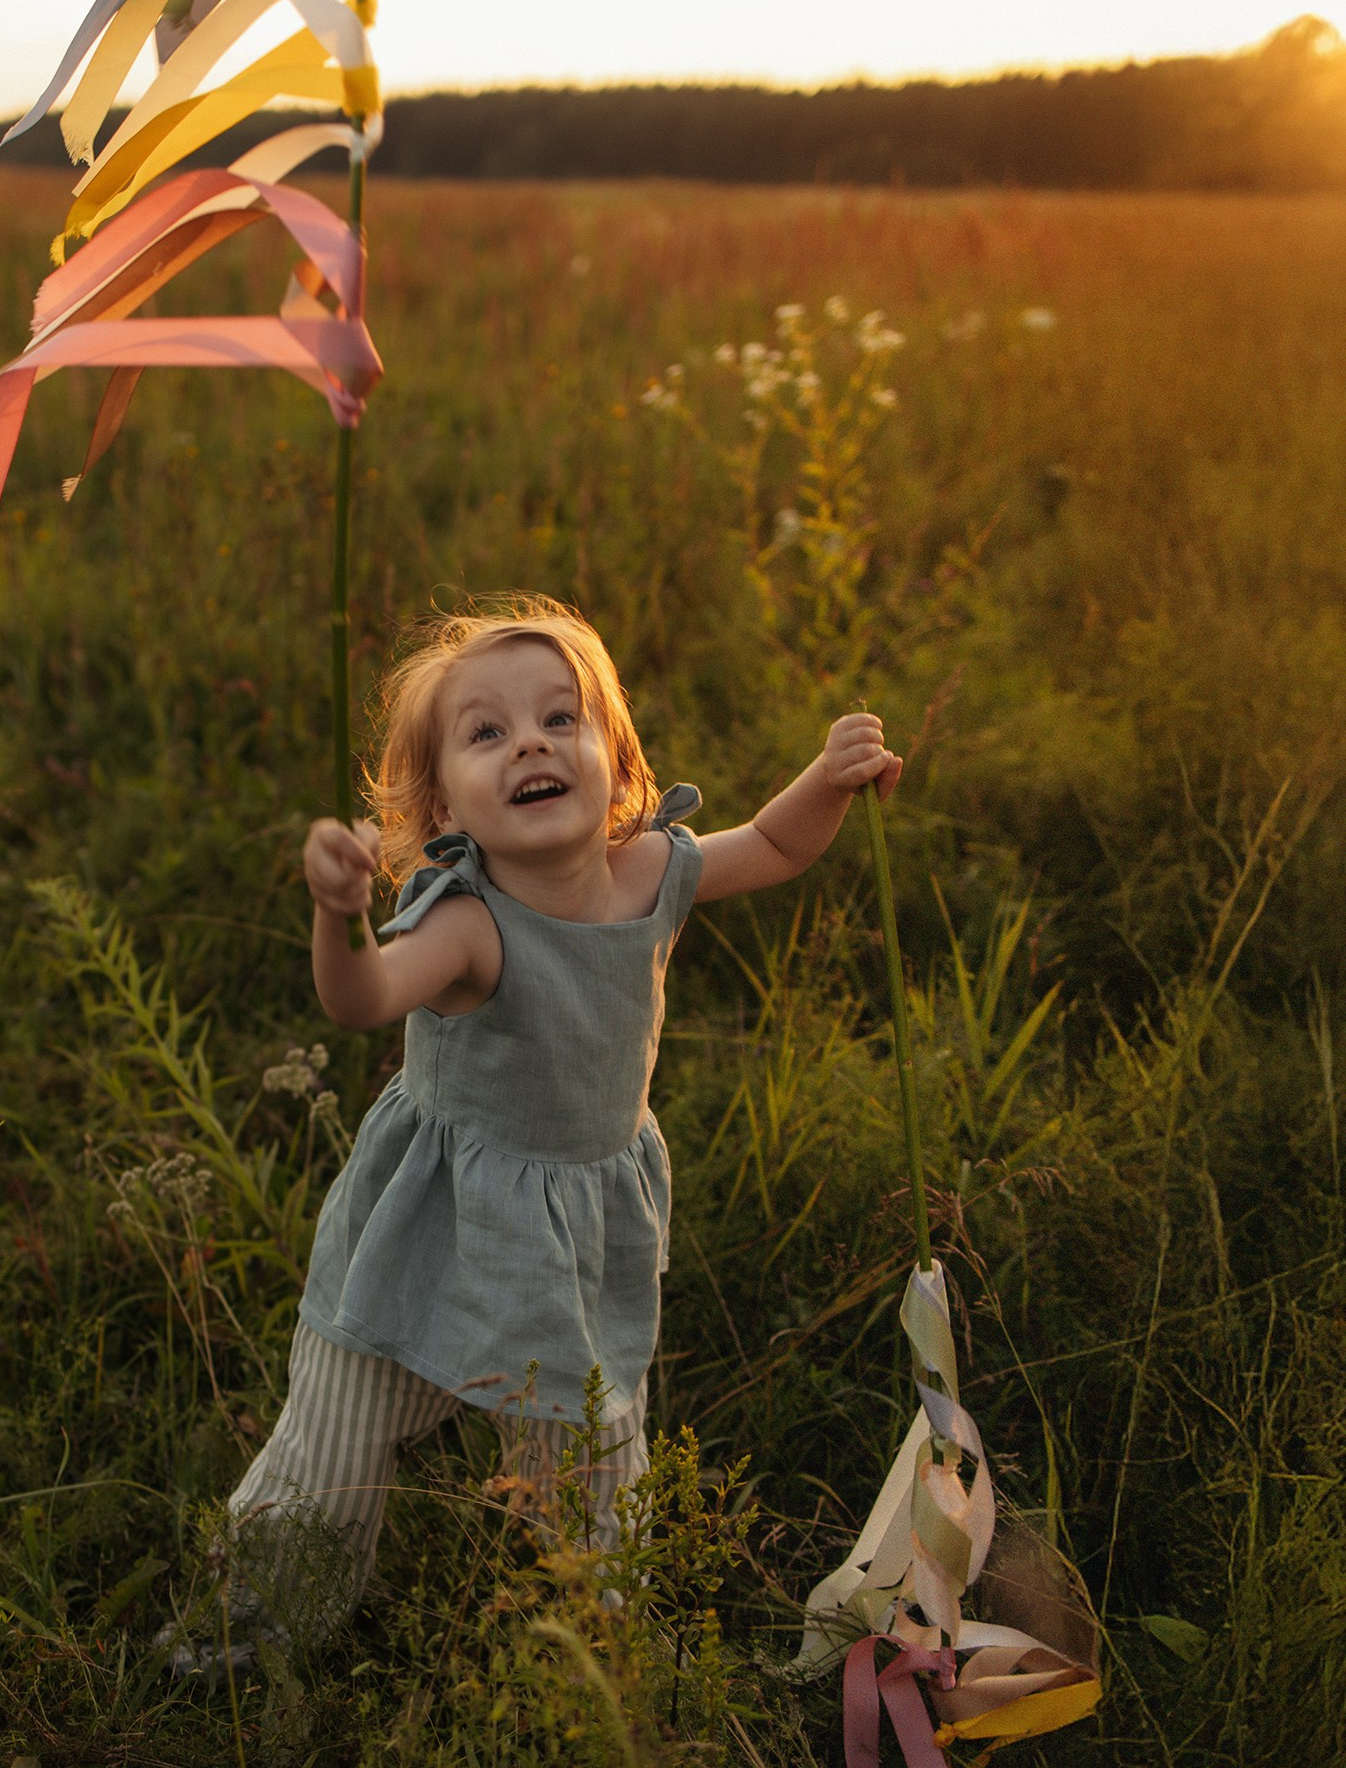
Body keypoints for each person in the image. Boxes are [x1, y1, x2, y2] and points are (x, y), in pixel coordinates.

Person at [216, 594, 900, 1640]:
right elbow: (359, 998)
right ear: (442, 811)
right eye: (487, 732)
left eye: (559, 717)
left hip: (571, 1224)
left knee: (587, 1439)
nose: (530, 740)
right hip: (433, 1221)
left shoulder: (651, 873)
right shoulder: (467, 926)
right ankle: (261, 1624)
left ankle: (597, 1640)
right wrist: (335, 911)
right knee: (340, 1432)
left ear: (618, 767)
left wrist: (830, 775)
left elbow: (772, 841)